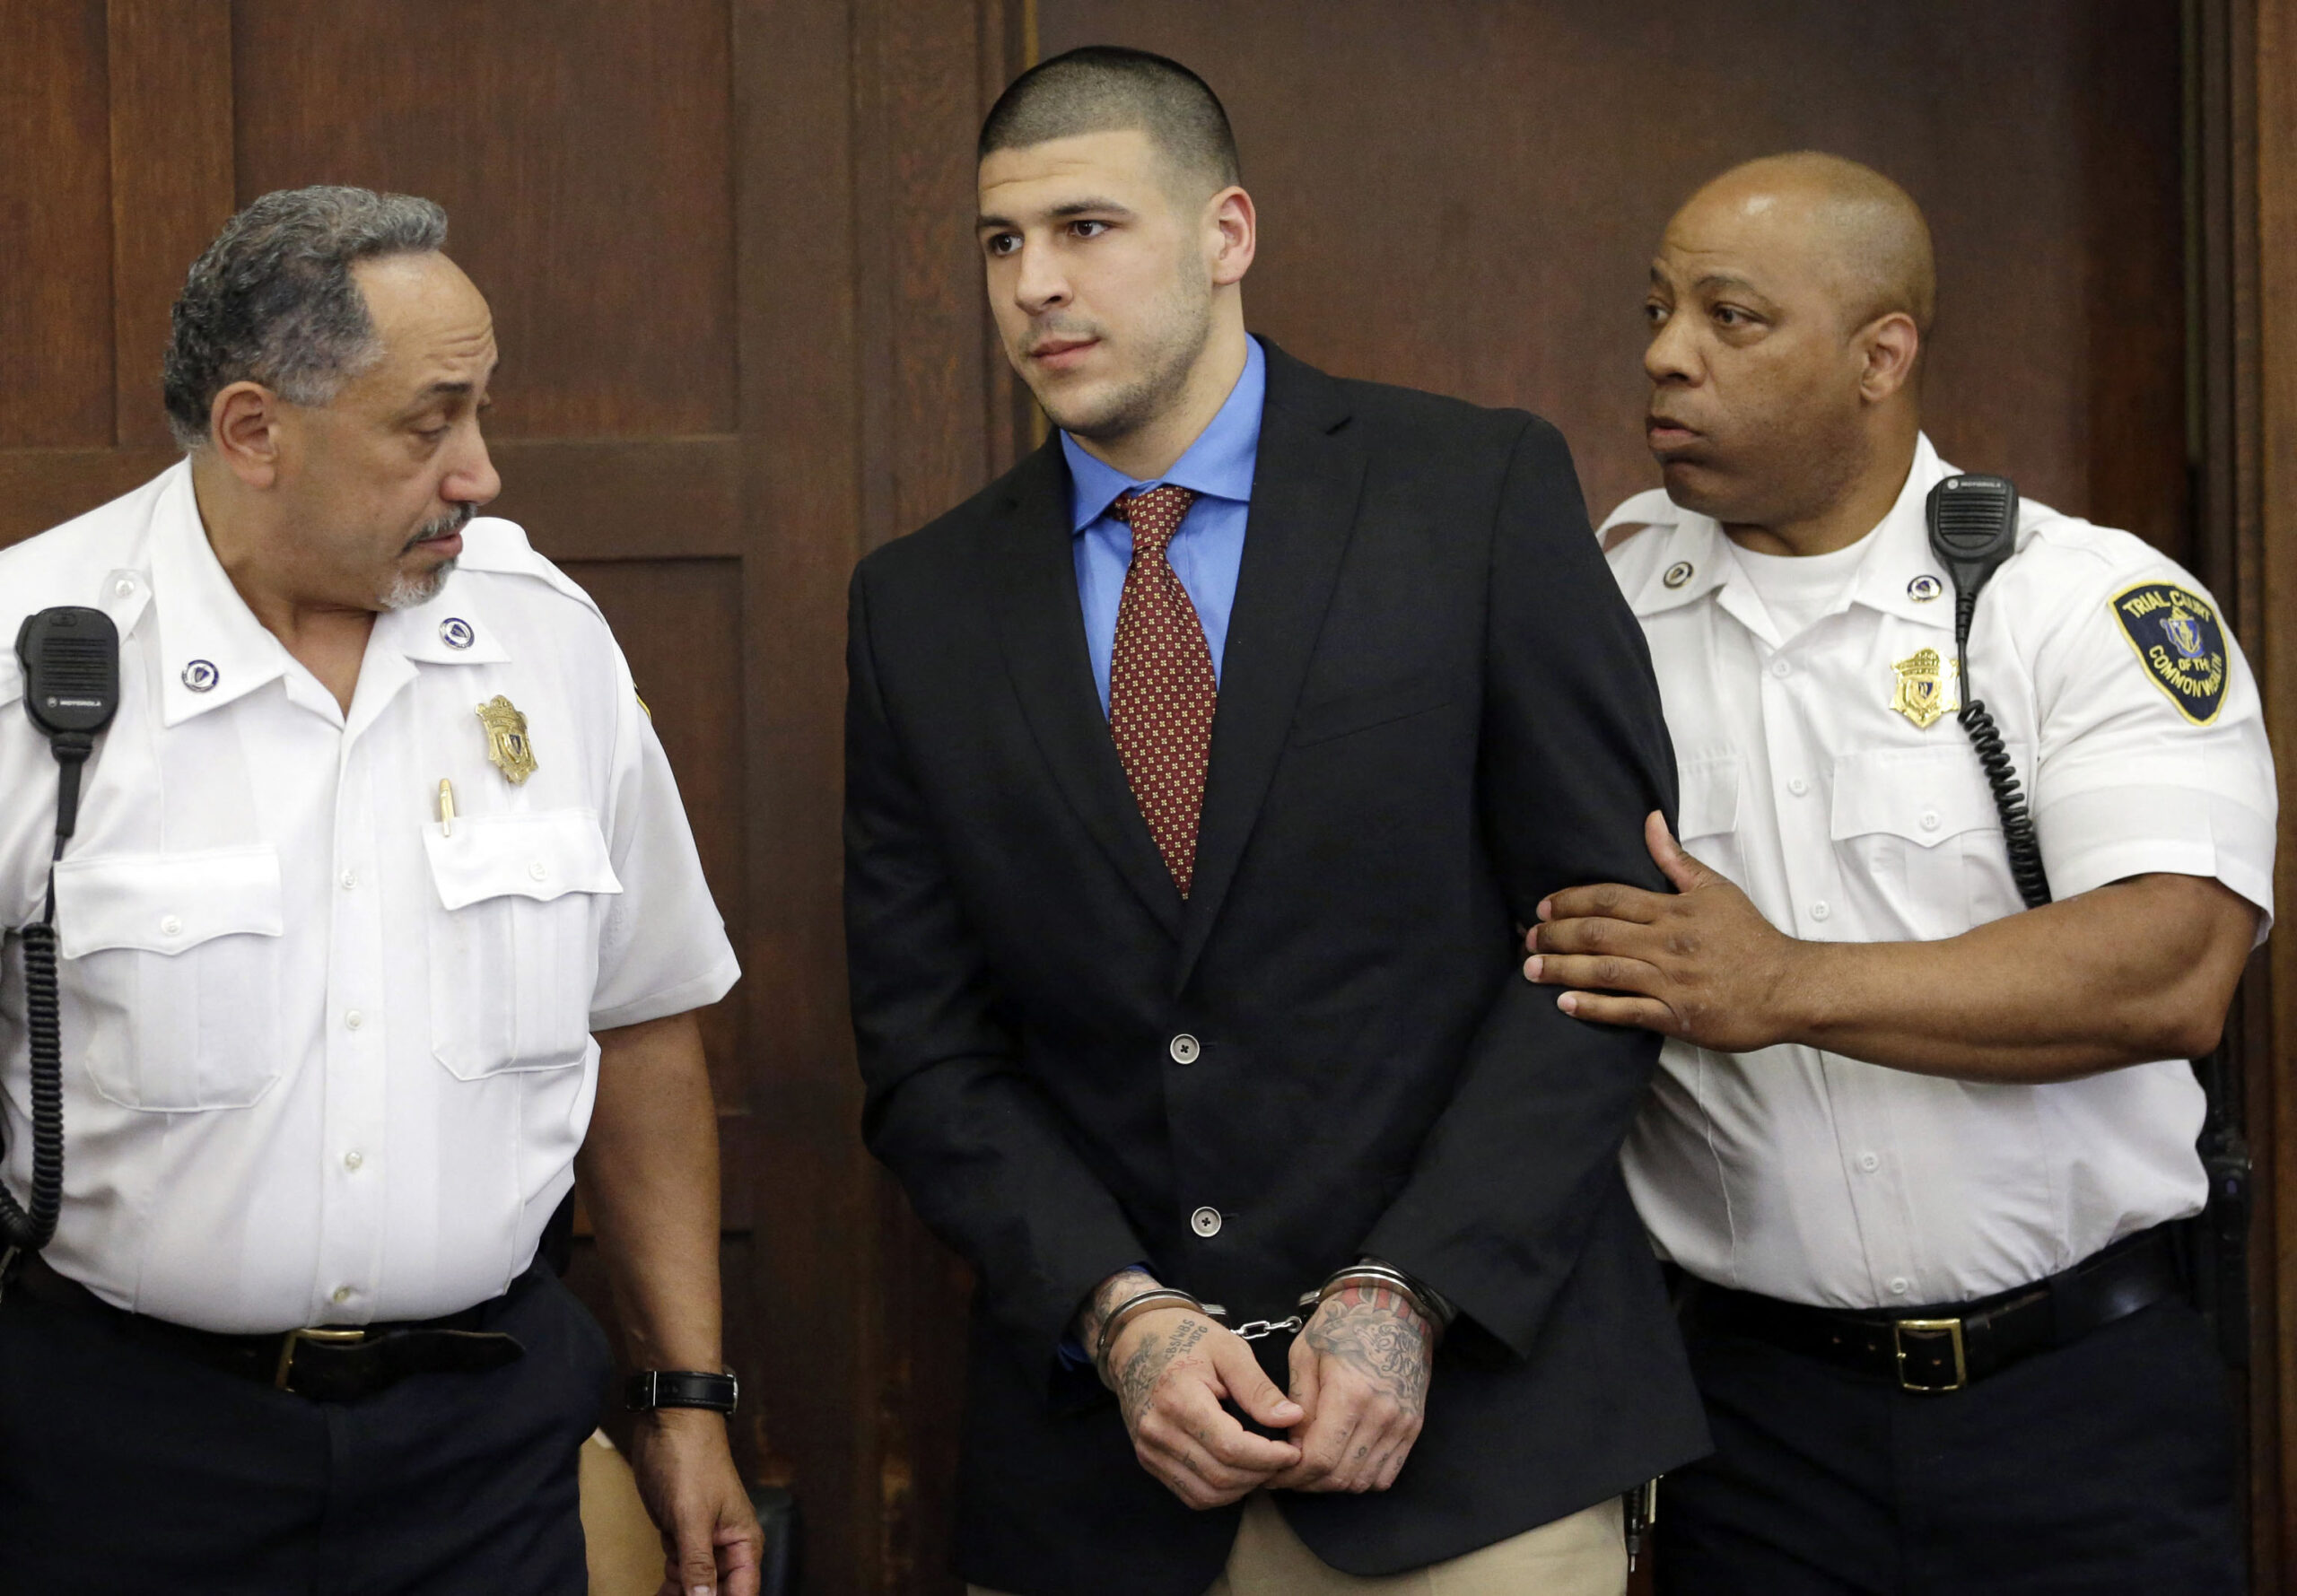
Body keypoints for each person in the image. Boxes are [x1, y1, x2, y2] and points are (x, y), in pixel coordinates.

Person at [843, 46, 1707, 1596]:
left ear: (1227, 233)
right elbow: (927, 1052)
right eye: (1001, 242)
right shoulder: (919, 606)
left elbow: (1609, 950)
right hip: (1098, 1487)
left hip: (1472, 1457)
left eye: (1088, 229)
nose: (1035, 283)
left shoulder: (1474, 492)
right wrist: (1118, 1312)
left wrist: (1413, 1290)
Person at [1527, 153, 2275, 1594]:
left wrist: (1784, 986)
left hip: (2081, 1407)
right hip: (1746, 1427)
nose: (1665, 354)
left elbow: (2179, 966)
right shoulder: (1593, 617)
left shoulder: (2082, 606)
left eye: (1732, 319)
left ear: (1883, 357)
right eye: (1658, 310)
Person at [0, 186, 762, 1596]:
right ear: (254, 433)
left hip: (481, 1452)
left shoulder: (547, 645)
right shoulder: (31, 656)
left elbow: (642, 1023)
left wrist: (686, 1399)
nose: (478, 470)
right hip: (119, 1457)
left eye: (479, 413)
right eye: (430, 424)